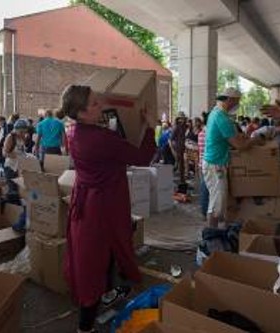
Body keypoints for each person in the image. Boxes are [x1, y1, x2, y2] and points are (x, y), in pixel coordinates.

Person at [60, 85, 155, 333]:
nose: (100, 105)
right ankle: (85, 327)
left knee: (99, 256)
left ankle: (107, 292)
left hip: (88, 201)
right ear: (81, 113)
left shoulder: (76, 131)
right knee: (93, 264)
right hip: (102, 207)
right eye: (94, 104)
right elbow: (142, 157)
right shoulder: (101, 138)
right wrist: (150, 126)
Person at [203, 88, 263, 228]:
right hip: (215, 164)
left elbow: (235, 137)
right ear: (230, 100)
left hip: (216, 162)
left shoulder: (217, 113)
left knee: (217, 202)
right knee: (217, 205)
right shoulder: (221, 117)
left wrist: (247, 134)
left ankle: (213, 234)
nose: (237, 105)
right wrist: (255, 140)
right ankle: (211, 237)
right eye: (237, 102)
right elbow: (239, 145)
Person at [3, 119, 29, 204]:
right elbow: (5, 153)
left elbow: (22, 150)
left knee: (20, 189)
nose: (23, 134)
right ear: (15, 129)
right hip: (11, 167)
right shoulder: (10, 137)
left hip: (20, 167)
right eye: (21, 132)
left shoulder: (22, 137)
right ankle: (12, 209)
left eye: (24, 132)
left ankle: (19, 207)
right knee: (12, 190)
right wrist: (16, 156)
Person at [198, 112, 210, 219]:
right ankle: (205, 212)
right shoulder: (209, 134)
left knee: (203, 188)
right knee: (206, 189)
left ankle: (204, 211)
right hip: (208, 164)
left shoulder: (201, 133)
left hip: (201, 163)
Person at [170, 112, 187, 185]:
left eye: (183, 118)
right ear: (178, 119)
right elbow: (171, 139)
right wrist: (173, 149)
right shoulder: (176, 127)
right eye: (181, 118)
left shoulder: (183, 127)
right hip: (177, 148)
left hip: (181, 148)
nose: (182, 120)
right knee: (180, 165)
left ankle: (181, 180)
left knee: (180, 165)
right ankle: (181, 180)